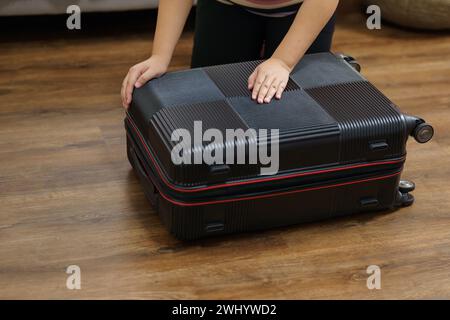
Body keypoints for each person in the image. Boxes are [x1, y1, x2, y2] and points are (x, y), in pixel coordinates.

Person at [121, 0, 339, 108]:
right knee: (210, 104)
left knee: (297, 106)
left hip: (304, 8)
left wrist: (283, 62)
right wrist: (160, 55)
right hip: (226, 6)